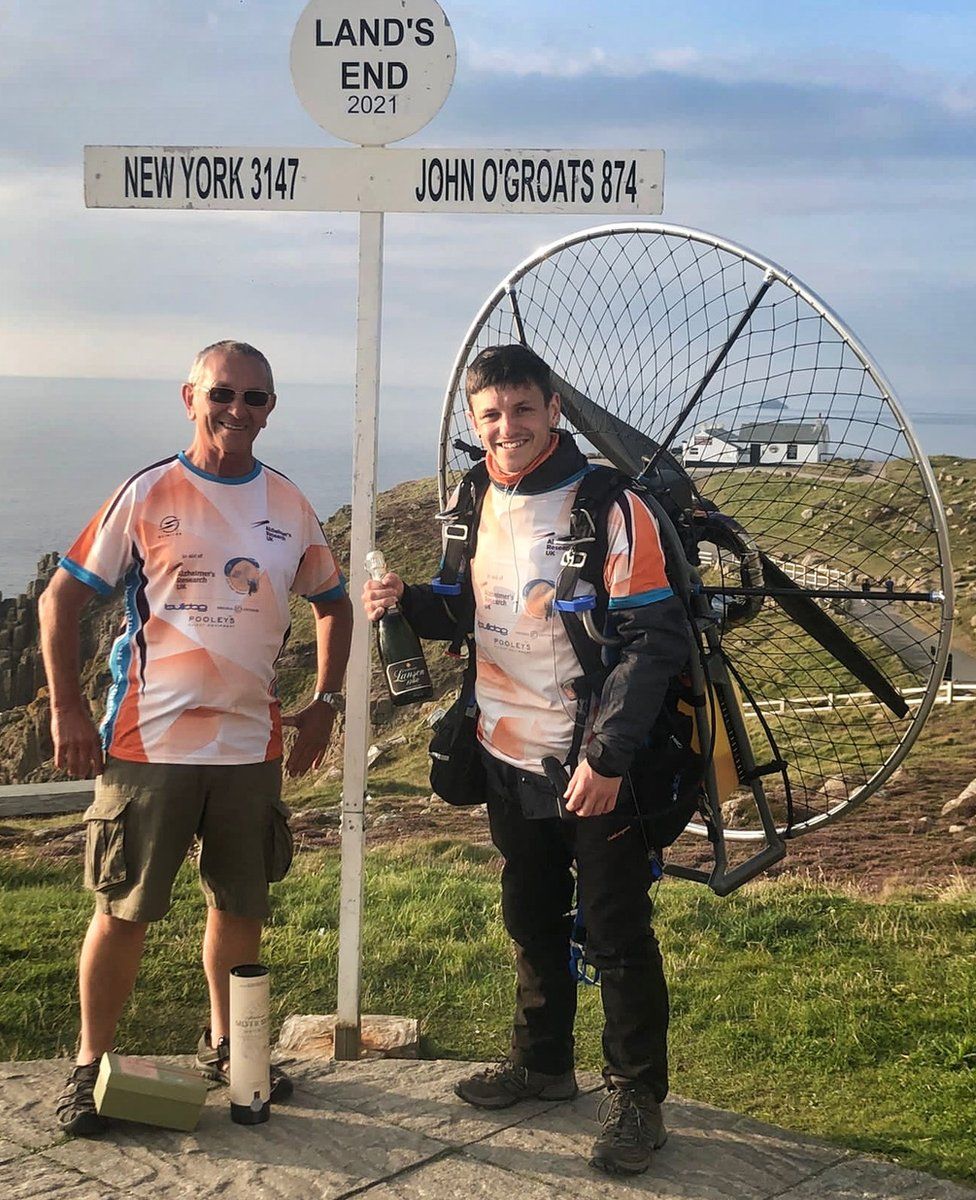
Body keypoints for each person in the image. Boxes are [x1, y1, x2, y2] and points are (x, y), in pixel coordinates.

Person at [362, 344, 690, 1176]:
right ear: (476, 423)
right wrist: (407, 604)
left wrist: (609, 759)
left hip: (593, 764)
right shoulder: (474, 497)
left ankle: (634, 1096)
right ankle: (543, 1065)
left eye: (522, 410)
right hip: (504, 750)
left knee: (615, 932)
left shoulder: (612, 508)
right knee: (530, 914)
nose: (507, 428)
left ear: (552, 408)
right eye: (491, 416)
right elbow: (463, 608)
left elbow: (652, 644)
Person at [40, 340, 353, 1136]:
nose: (237, 411)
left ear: (271, 408)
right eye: (222, 394)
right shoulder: (149, 491)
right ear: (190, 397)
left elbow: (334, 603)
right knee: (123, 910)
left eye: (254, 398)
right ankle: (88, 1066)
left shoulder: (287, 503)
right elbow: (59, 601)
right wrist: (67, 709)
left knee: (240, 904)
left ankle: (229, 1048)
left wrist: (323, 703)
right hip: (150, 744)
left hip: (251, 749)